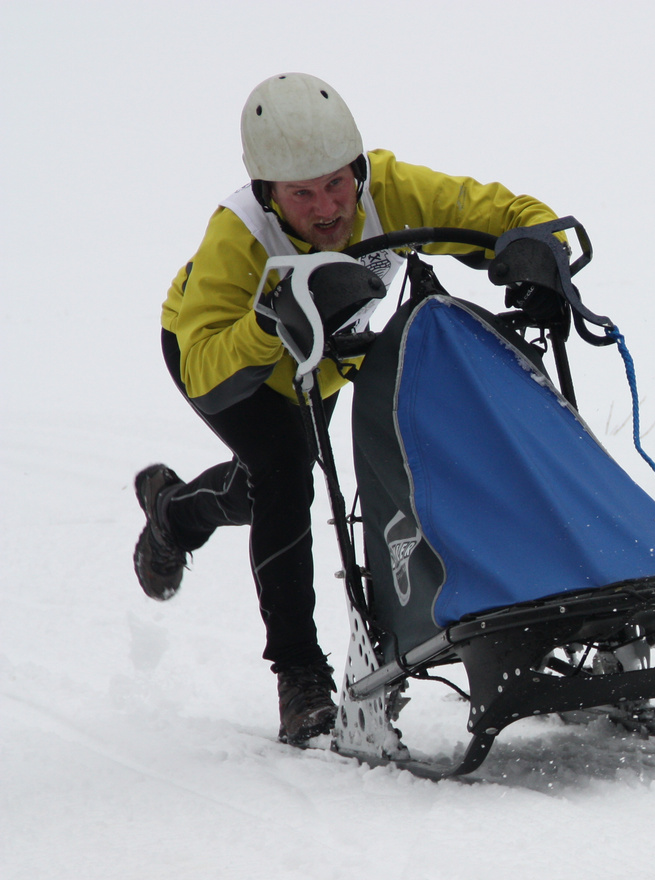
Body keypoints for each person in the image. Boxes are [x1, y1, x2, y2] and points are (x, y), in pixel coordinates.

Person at [134, 73, 562, 745]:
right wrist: (279, 322)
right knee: (282, 470)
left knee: (268, 485)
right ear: (266, 193)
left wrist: (538, 249)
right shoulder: (237, 237)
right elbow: (204, 361)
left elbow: (499, 214)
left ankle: (174, 514)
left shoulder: (389, 188)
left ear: (357, 167)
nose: (329, 207)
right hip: (224, 353)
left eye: (338, 183)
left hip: (325, 352)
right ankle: (298, 673)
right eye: (302, 194)